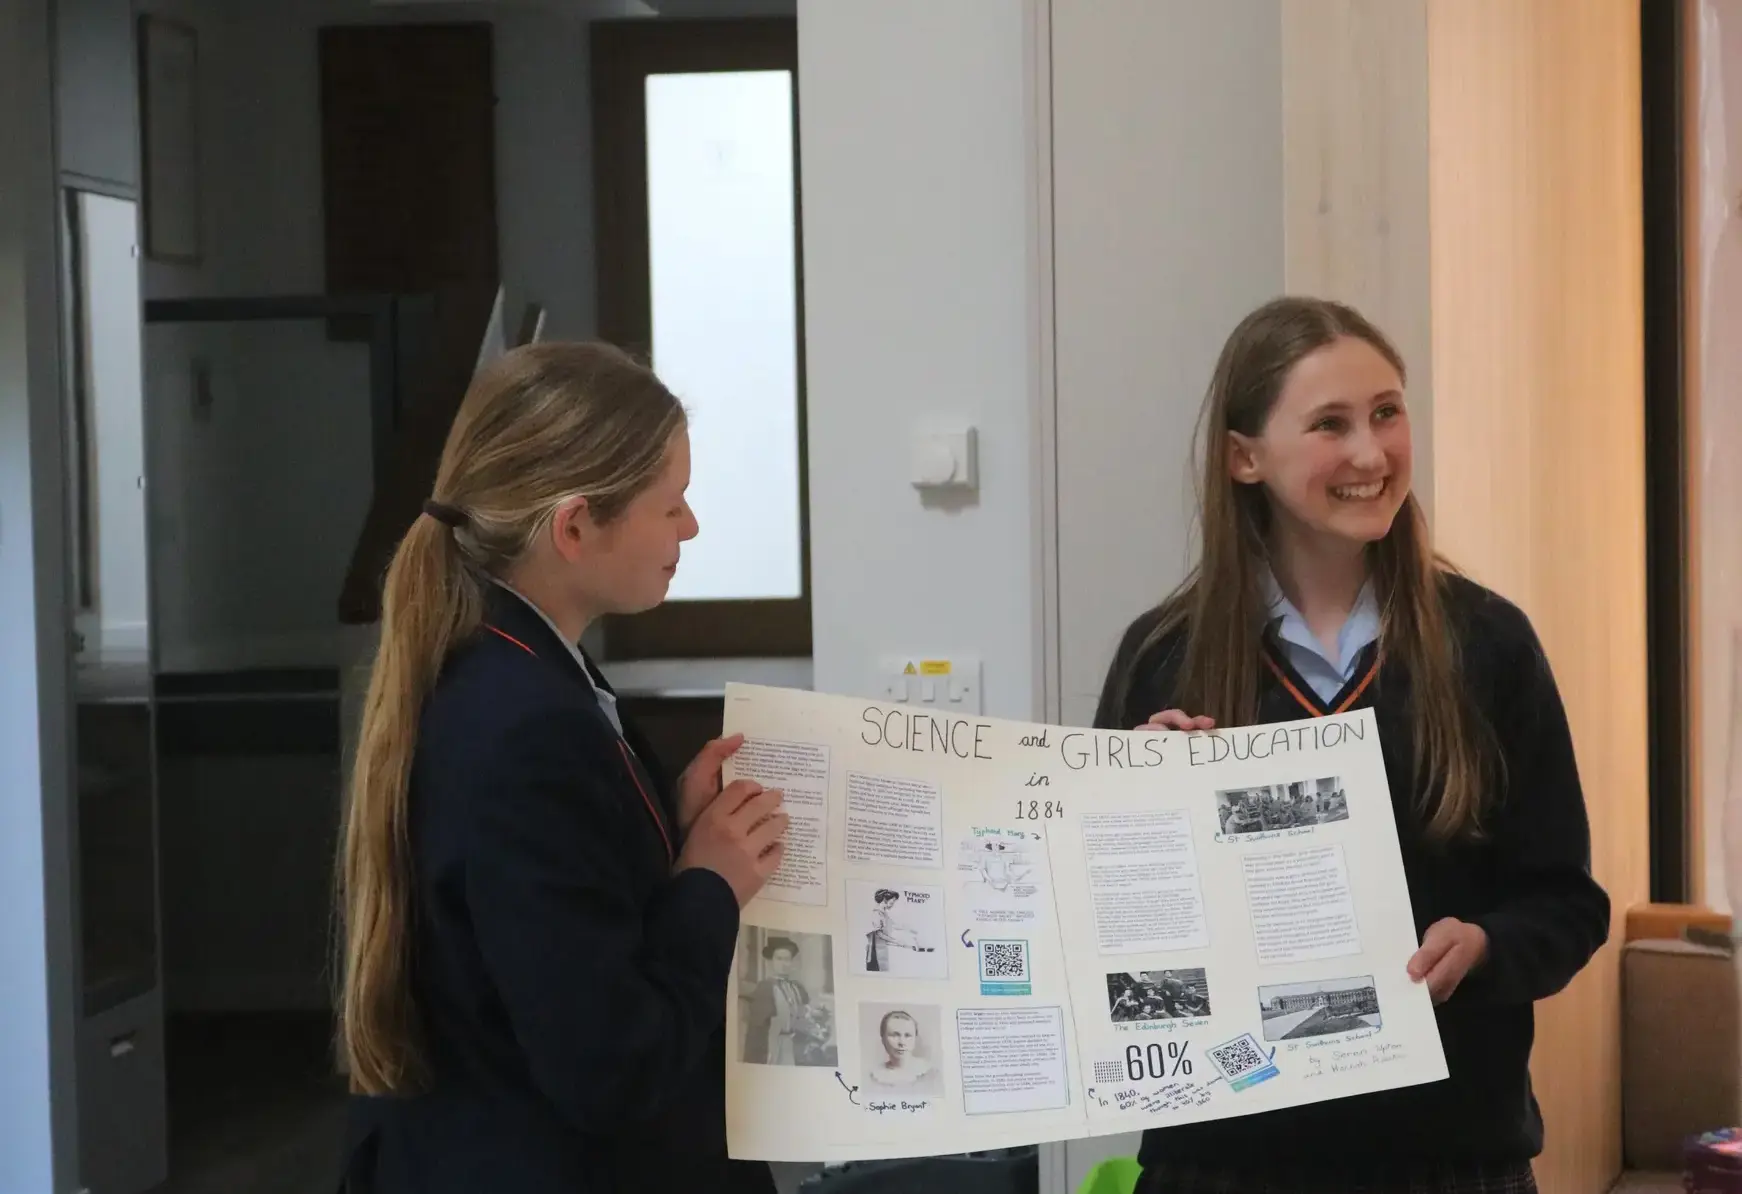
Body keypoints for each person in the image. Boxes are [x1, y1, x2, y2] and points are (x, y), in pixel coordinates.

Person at [1094, 297, 1611, 1194]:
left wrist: (1486, 945)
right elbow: (1101, 936)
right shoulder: (1162, 659)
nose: (1371, 454)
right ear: (1242, 457)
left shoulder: (1488, 644)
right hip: (1220, 1163)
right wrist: (1133, 814)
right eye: (1330, 424)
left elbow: (1567, 903)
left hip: (1451, 1159)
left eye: (1387, 412)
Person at [337, 342, 789, 1194]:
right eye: (671, 506)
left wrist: (667, 822)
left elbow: (559, 915)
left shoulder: (521, 669)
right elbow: (609, 1065)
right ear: (575, 527)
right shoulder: (525, 725)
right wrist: (710, 885)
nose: (689, 528)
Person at [743, 936, 813, 1065]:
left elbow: (806, 1015)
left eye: (787, 959)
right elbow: (758, 1028)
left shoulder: (797, 987)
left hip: (795, 1045)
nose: (783, 964)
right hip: (775, 1045)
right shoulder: (765, 987)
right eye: (779, 958)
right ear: (772, 961)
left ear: (792, 962)